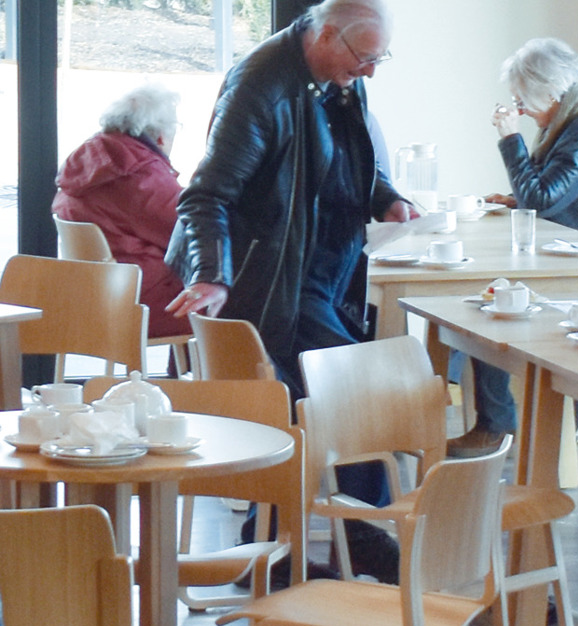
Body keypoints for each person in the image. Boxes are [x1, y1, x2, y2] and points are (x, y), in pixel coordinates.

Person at [163, 0, 416, 585]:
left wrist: (387, 199)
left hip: (320, 273)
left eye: (379, 60)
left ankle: (278, 537)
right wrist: (211, 274)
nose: (371, 71)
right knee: (360, 390)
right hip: (271, 277)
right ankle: (352, 536)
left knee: (327, 403)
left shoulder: (338, 76)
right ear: (326, 34)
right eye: (364, 58)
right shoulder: (261, 87)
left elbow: (353, 163)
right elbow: (206, 195)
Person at [448, 37, 578, 458]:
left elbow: (542, 200)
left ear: (550, 93)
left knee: (496, 300)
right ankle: (495, 426)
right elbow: (542, 194)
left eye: (522, 97)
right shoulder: (566, 125)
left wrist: (509, 140)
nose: (518, 107)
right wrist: (515, 198)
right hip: (570, 257)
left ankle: (538, 443)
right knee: (485, 304)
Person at [52, 84, 191, 343]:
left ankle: (186, 379)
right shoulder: (140, 175)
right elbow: (189, 231)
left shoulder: (85, 164)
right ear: (161, 136)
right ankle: (215, 383)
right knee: (235, 297)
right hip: (145, 301)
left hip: (100, 300)